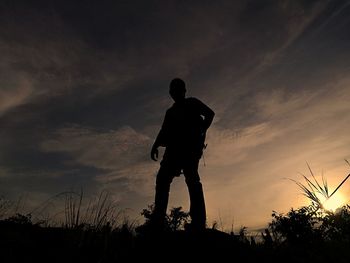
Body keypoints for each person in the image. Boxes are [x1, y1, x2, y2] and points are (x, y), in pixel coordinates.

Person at [150, 78, 215, 231]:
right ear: (170, 93)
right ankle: (158, 220)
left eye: (178, 89)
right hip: (173, 151)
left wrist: (201, 131)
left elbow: (210, 114)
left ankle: (198, 221)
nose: (175, 93)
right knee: (162, 179)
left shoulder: (192, 103)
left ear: (184, 91)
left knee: (192, 180)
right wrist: (155, 145)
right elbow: (163, 131)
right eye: (173, 90)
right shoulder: (170, 112)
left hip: (189, 150)